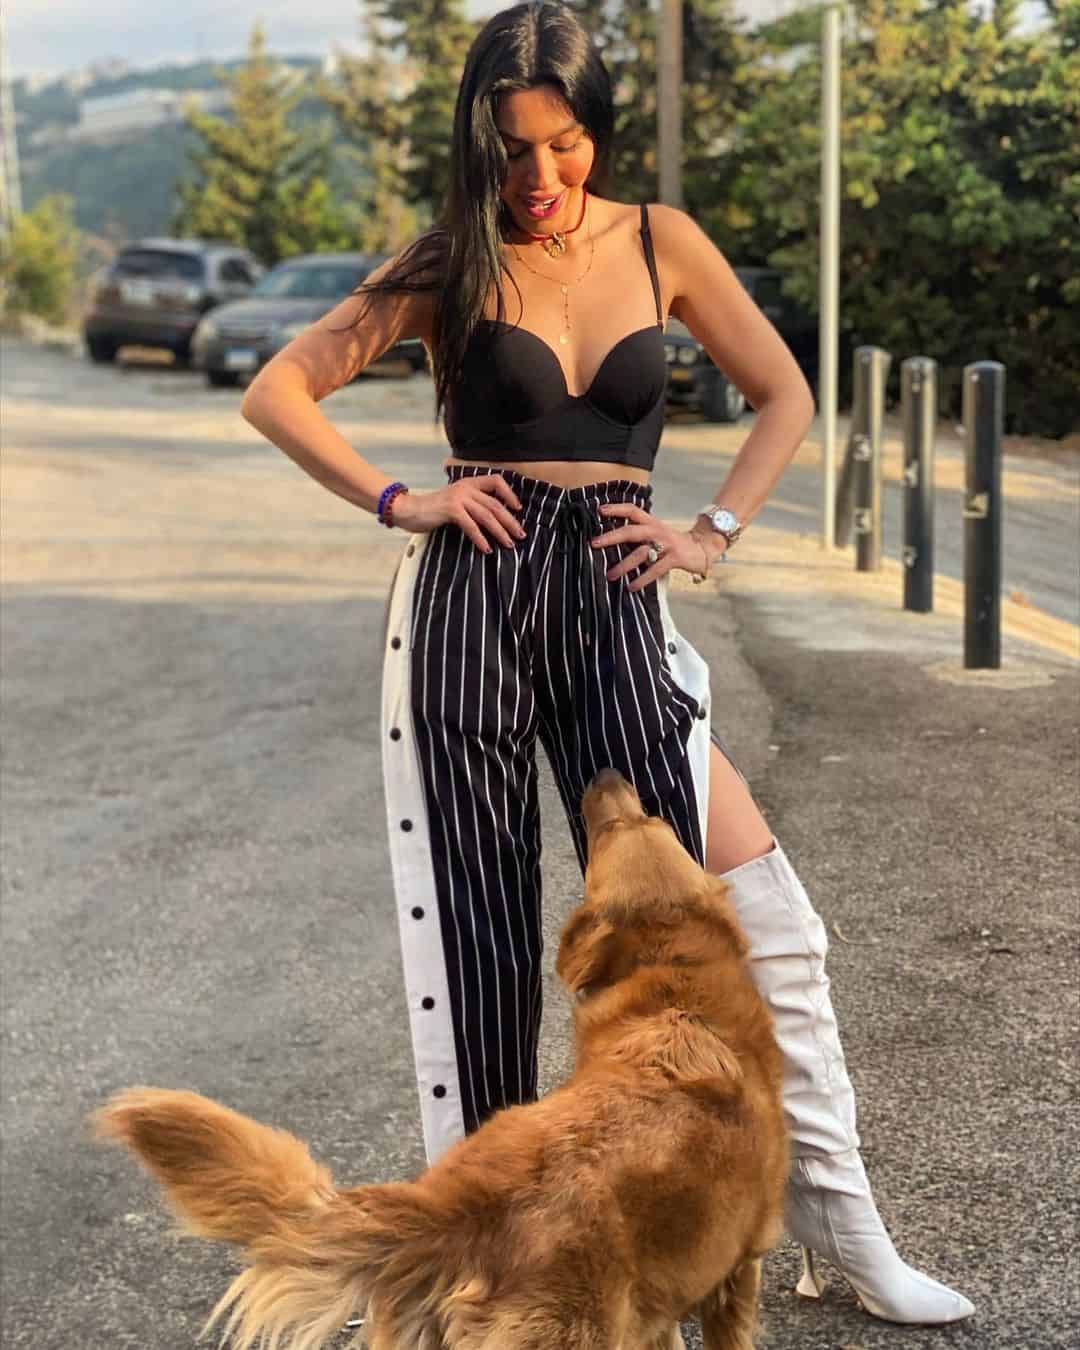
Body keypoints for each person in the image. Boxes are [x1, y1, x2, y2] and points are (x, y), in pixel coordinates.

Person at [240, 0, 974, 1328]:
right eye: (512, 147)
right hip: (473, 596)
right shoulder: (449, 259)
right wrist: (402, 500)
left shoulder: (658, 241)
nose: (539, 175)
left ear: (597, 130)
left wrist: (712, 532)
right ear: (479, 141)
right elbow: (279, 387)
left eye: (564, 142)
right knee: (479, 947)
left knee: (749, 928)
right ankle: (484, 1270)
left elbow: (786, 393)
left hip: (621, 592)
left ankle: (842, 1229)